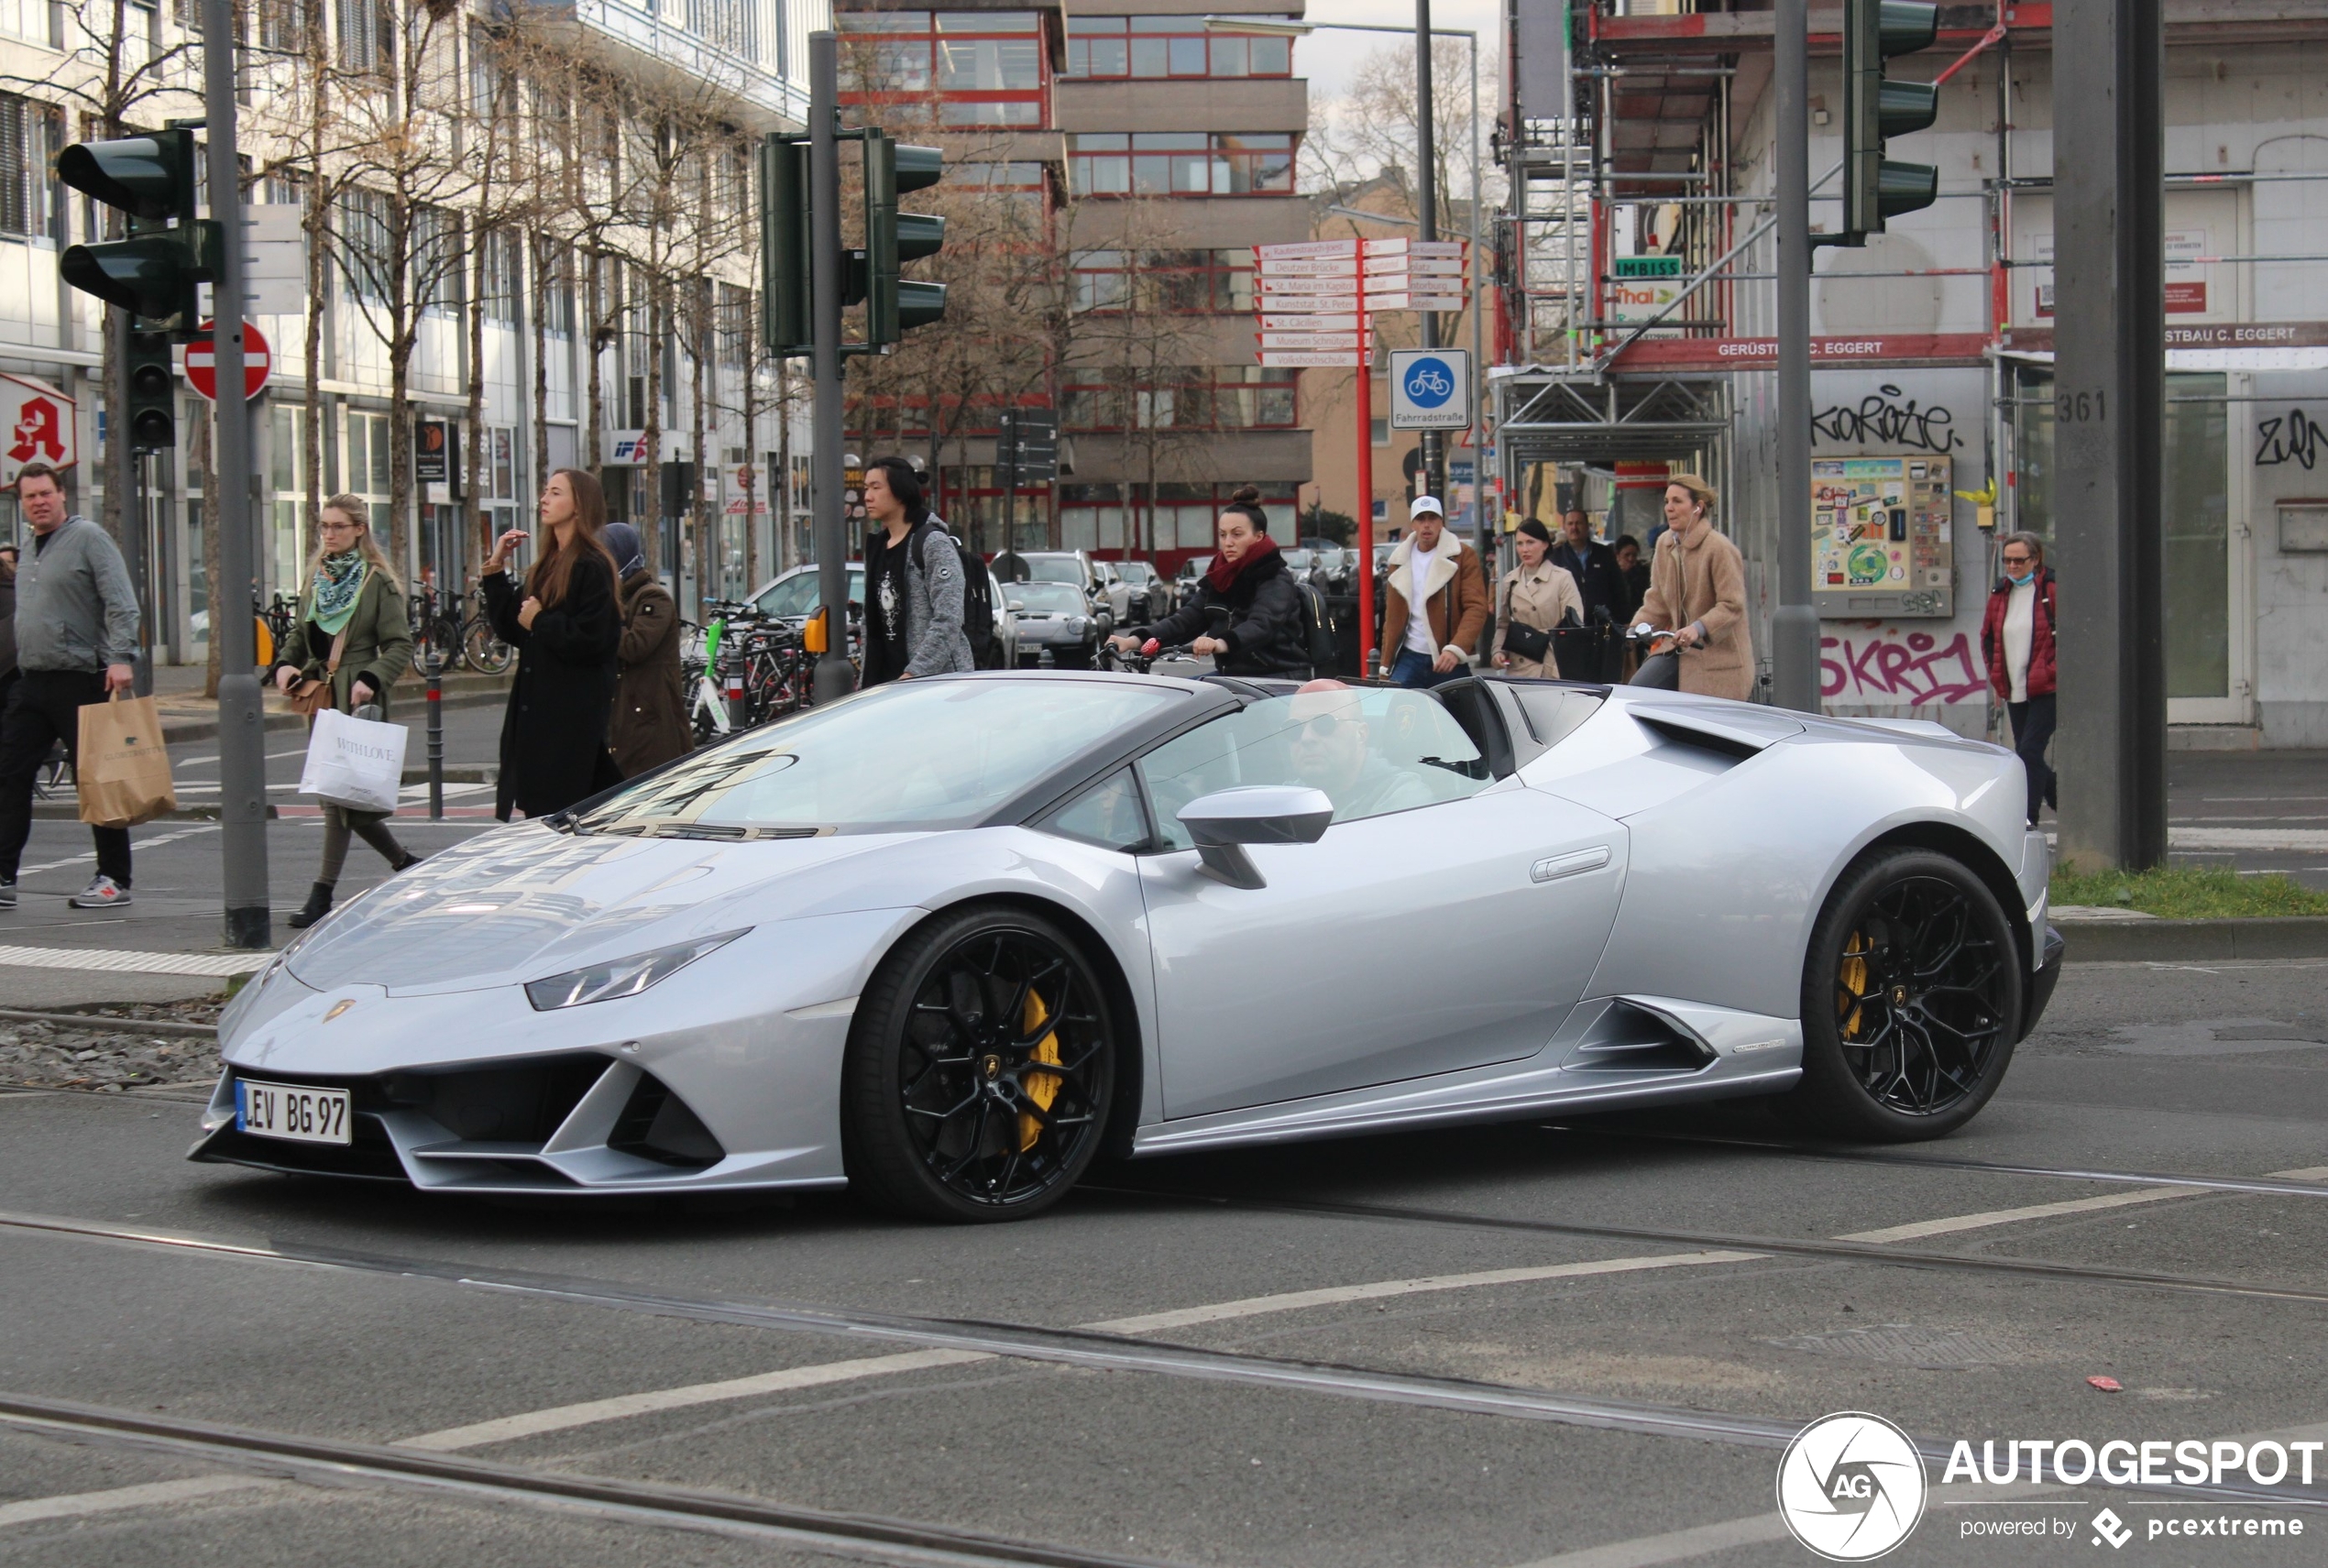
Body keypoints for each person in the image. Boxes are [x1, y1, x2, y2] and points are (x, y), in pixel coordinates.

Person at [269, 497, 421, 929]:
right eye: (324, 527)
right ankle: (405, 862)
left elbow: (400, 643)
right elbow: (301, 633)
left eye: (338, 526)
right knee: (342, 793)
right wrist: (283, 664)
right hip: (320, 694)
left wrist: (371, 678)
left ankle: (322, 894)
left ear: (359, 529)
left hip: (356, 695)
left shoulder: (376, 583)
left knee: (338, 797)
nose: (329, 535)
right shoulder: (319, 578)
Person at [0, 463, 138, 910]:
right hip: (33, 681)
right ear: (21, 503)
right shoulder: (28, 547)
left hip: (82, 678)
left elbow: (121, 601)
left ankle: (114, 879)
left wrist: (120, 656)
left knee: (98, 783)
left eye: (45, 493)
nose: (38, 502)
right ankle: (3, 877)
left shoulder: (89, 539)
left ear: (62, 495)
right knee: (10, 776)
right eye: (29, 497)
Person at [481, 468, 623, 820]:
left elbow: (595, 639)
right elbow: (513, 628)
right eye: (545, 491)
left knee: (569, 813)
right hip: (537, 714)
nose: (544, 499)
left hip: (568, 717)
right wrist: (496, 569)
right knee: (552, 813)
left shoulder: (591, 566)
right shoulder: (545, 566)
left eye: (556, 492)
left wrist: (541, 620)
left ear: (579, 506)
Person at [1109, 486, 1309, 677]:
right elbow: (1185, 621)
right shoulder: (1220, 577)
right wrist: (1133, 640)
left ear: (1259, 537)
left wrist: (1219, 643)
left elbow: (1262, 624)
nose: (1228, 542)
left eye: (1237, 534)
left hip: (1278, 677)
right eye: (1223, 535)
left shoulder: (1275, 577)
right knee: (1176, 701)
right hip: (1233, 676)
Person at [1631, 474, 1753, 701]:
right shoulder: (1665, 543)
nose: (1669, 508)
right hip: (1679, 651)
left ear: (1698, 507)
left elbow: (1732, 605)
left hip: (1719, 658)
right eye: (1667, 501)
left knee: (1704, 727)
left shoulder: (1719, 548)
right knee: (1637, 691)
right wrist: (1634, 629)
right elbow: (1657, 599)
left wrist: (1698, 628)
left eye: (1677, 501)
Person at [859, 455, 972, 686]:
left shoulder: (932, 543)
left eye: (876, 487)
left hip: (934, 684)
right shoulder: (878, 546)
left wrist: (915, 674)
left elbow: (948, 617)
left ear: (900, 491)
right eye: (866, 488)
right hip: (887, 684)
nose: (867, 496)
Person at [1981, 531, 2059, 827]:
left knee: (2029, 751)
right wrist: (1995, 674)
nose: (2012, 567)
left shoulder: (2051, 588)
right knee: (2028, 753)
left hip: (2046, 686)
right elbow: (1987, 636)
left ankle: (2029, 818)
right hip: (2013, 686)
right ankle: (2057, 794)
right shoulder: (2000, 594)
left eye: (2019, 560)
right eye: (2007, 561)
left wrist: (2052, 669)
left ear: (2035, 560)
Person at [602, 521, 691, 777]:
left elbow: (634, 646)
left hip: (650, 722)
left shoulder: (652, 598)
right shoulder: (618, 598)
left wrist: (603, 615)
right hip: (623, 719)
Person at [1378, 496, 1488, 688]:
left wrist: (1456, 649)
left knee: (1460, 714)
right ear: (1413, 524)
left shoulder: (1463, 556)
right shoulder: (1398, 560)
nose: (1426, 525)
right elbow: (1392, 618)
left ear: (1441, 522)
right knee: (1398, 713)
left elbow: (1476, 607)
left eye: (1432, 518)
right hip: (1408, 656)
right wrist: (1385, 665)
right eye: (1421, 519)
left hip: (1448, 658)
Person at [1285, 680, 1435, 820]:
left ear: (1361, 734)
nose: (1306, 738)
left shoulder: (1403, 796)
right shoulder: (1284, 797)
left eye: (1324, 723)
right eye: (1294, 729)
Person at [1492, 520, 1583, 679]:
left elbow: (1575, 626)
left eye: (1530, 542)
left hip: (1553, 667)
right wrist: (1498, 651)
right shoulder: (1510, 580)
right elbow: (1503, 625)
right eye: (1520, 543)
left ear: (1545, 544)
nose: (1524, 549)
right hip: (1519, 668)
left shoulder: (1562, 578)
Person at [1550, 507, 1629, 626]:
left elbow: (1619, 589)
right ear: (1564, 528)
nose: (1574, 528)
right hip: (1569, 628)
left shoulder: (1604, 554)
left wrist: (1624, 622)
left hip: (1602, 626)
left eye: (1578, 523)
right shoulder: (1556, 557)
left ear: (1587, 526)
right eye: (1570, 524)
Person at [1612, 534, 1650, 622]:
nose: (1631, 559)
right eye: (1627, 555)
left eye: (1634, 555)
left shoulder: (1643, 574)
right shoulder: (1611, 574)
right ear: (1617, 555)